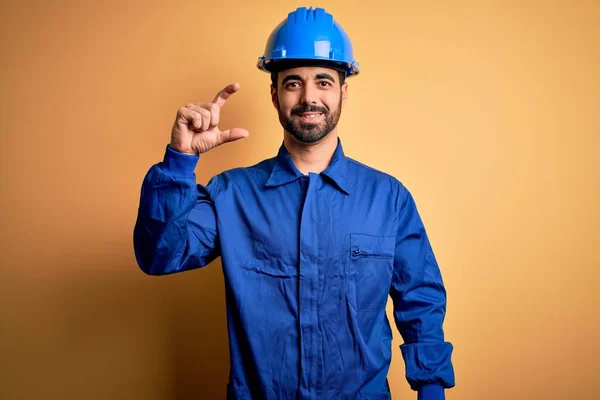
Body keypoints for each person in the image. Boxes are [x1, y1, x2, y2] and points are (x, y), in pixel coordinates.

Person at [134, 6, 455, 400]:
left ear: (342, 92)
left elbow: (420, 300)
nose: (309, 97)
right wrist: (180, 159)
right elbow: (160, 256)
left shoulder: (388, 198)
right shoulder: (230, 194)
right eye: (292, 84)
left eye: (323, 82)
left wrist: (432, 390)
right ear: (274, 94)